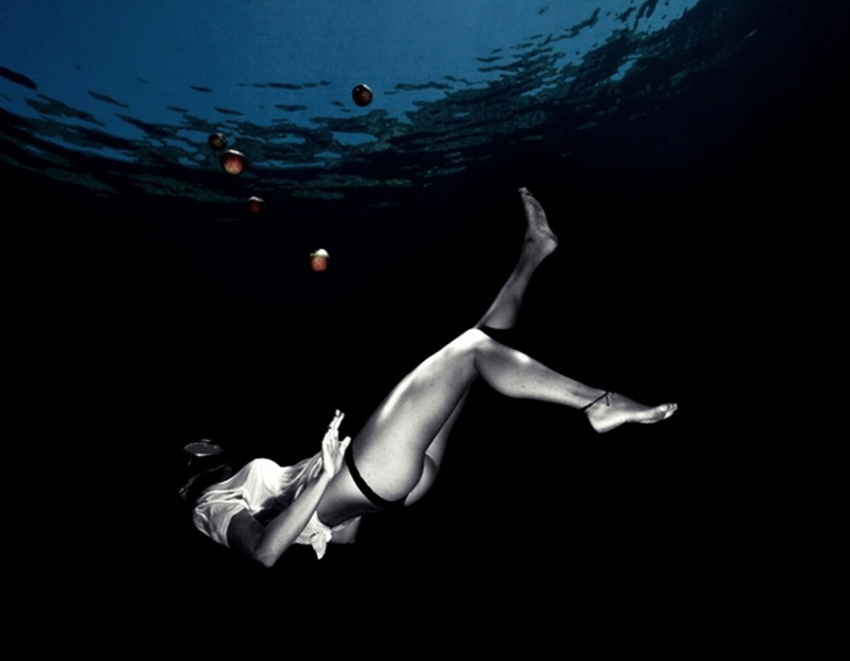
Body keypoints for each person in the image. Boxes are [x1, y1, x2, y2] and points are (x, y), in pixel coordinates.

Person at [193, 188, 676, 568]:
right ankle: (597, 404)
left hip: (386, 484)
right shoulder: (208, 506)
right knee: (470, 352)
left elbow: (342, 537)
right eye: (199, 447)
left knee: (473, 348)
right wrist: (324, 474)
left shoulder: (234, 484)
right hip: (369, 476)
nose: (209, 444)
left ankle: (533, 252)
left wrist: (330, 489)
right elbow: (264, 554)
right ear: (187, 471)